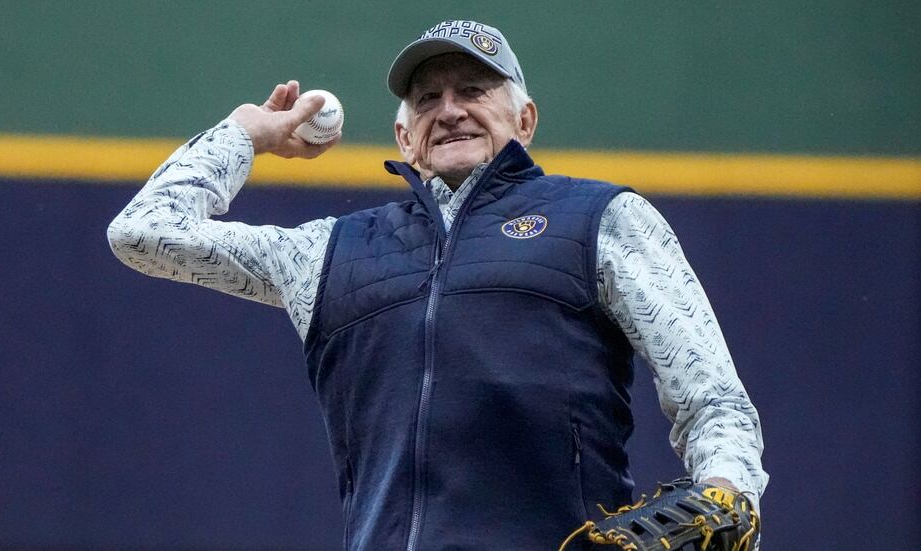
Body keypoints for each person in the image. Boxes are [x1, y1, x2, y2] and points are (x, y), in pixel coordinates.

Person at [107, 19, 767, 551]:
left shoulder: (601, 220)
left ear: (526, 120)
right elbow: (142, 232)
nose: (450, 109)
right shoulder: (330, 251)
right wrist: (245, 135)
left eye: (474, 89)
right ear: (404, 133)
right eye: (429, 97)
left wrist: (727, 489)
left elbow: (714, 401)